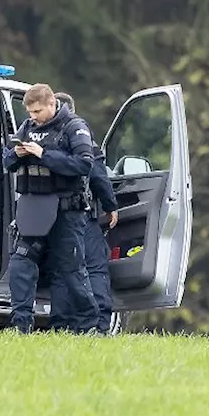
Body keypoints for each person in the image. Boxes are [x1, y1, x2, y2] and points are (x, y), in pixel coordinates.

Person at [3, 83, 99, 334]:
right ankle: (20, 324)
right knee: (20, 262)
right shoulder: (27, 128)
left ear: (51, 104)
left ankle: (89, 325)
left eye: (37, 112)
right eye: (30, 113)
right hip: (33, 207)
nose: (33, 117)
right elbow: (6, 161)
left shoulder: (74, 127)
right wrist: (18, 153)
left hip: (67, 210)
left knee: (71, 270)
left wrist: (44, 154)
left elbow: (84, 165)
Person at [54, 92, 119, 334]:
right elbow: (98, 176)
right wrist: (111, 206)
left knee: (63, 270)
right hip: (82, 214)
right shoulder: (79, 134)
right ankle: (99, 325)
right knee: (94, 268)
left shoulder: (41, 136)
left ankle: (60, 324)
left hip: (51, 217)